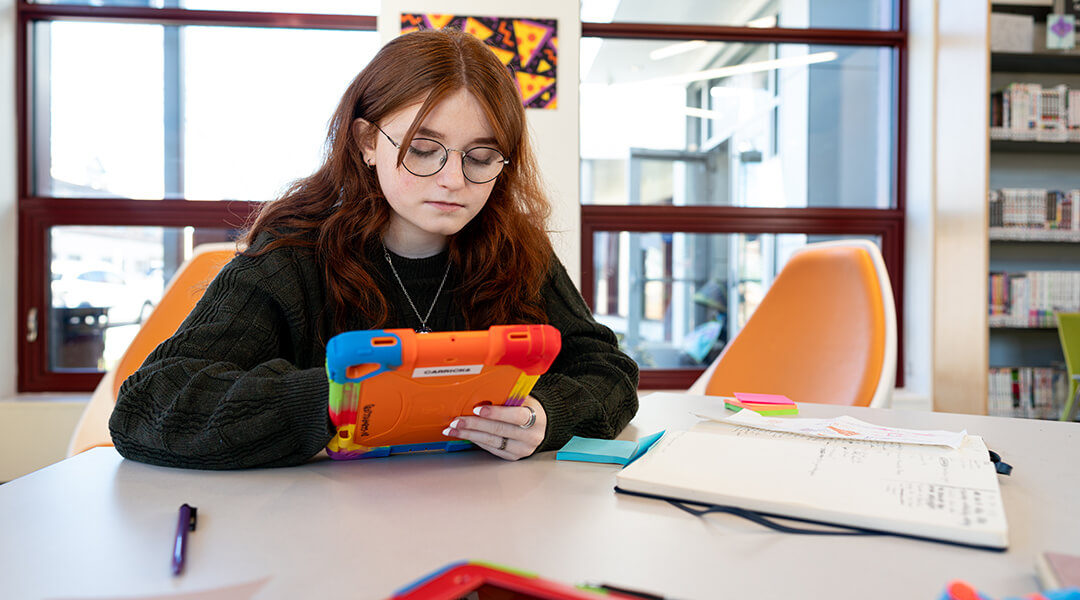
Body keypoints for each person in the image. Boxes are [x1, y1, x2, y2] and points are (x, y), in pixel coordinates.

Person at [109, 29, 640, 470]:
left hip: (491, 520)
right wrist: (341, 402)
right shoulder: (292, 253)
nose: (452, 179)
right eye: (423, 150)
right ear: (366, 141)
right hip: (324, 539)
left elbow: (608, 370)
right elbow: (148, 404)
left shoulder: (516, 248)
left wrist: (545, 416)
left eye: (481, 157)